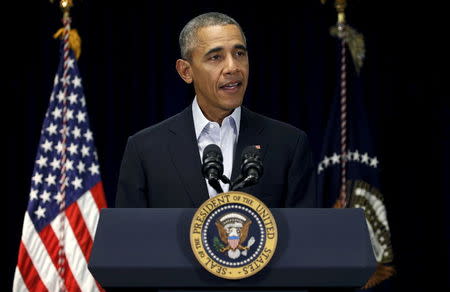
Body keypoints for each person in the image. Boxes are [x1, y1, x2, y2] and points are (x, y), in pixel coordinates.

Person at [115, 12, 316, 208]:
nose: (232, 67)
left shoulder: (289, 144)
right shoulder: (144, 150)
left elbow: (304, 235)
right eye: (215, 57)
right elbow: (131, 236)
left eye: (239, 54)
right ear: (186, 71)